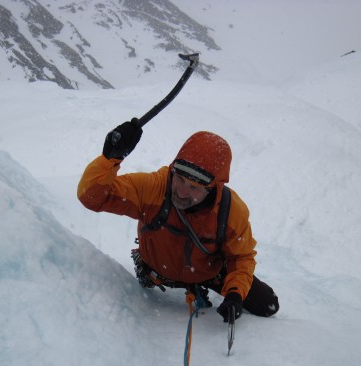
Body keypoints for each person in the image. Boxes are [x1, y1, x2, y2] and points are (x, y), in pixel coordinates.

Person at [77, 119, 279, 322]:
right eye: (180, 179)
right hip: (156, 270)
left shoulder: (231, 211)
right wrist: (109, 158)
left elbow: (241, 257)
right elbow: (92, 197)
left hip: (208, 273)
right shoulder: (154, 188)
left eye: (194, 188)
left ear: (213, 187)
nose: (182, 192)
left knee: (267, 303)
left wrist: (235, 293)